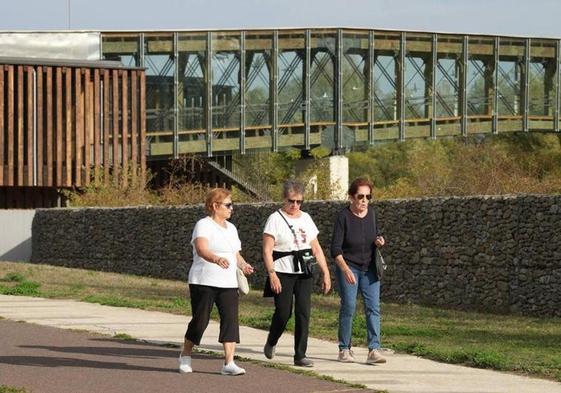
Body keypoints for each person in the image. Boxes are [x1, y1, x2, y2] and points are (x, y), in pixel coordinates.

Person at [179, 188, 254, 375]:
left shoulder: (232, 228)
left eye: (232, 205)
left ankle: (229, 363)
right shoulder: (203, 225)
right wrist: (216, 259)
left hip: (228, 282)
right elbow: (202, 249)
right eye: (228, 205)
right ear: (215, 206)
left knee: (230, 320)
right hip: (203, 280)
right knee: (200, 320)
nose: (232, 208)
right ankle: (185, 355)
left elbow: (235, 253)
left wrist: (244, 265)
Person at [262, 179, 331, 367]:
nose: (295, 205)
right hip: (282, 270)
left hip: (304, 269)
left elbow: (316, 248)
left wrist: (325, 272)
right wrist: (272, 274)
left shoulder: (306, 218)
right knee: (284, 312)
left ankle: (300, 354)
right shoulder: (274, 219)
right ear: (284, 199)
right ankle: (272, 340)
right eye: (291, 201)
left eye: (299, 202)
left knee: (303, 312)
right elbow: (267, 250)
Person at [330, 177, 387, 364]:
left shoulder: (372, 213)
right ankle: (344, 349)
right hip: (349, 266)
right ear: (351, 197)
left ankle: (374, 350)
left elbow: (375, 235)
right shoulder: (343, 217)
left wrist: (379, 241)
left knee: (373, 308)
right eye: (360, 196)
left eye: (368, 196)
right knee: (349, 307)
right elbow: (335, 249)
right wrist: (345, 270)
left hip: (369, 268)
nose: (364, 200)